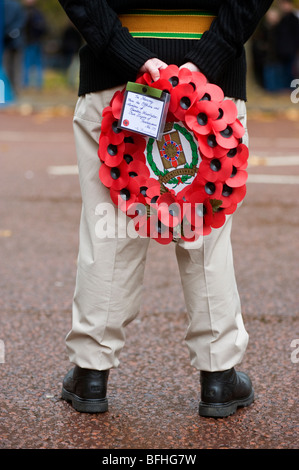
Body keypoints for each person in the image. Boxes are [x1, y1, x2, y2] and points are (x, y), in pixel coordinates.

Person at [58, 1, 273, 419]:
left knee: (110, 229)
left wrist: (129, 55)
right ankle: (218, 378)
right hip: (211, 82)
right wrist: (211, 52)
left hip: (116, 78)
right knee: (204, 232)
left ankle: (91, 373)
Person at [22, 0, 47, 89]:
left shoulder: (27, 13)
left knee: (26, 63)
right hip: (37, 41)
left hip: (29, 42)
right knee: (38, 64)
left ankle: (25, 84)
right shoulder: (38, 13)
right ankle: (38, 85)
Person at [3, 0, 26, 96]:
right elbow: (21, 21)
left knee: (8, 66)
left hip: (7, 41)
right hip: (16, 40)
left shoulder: (5, 4)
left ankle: (9, 89)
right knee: (16, 67)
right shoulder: (17, 5)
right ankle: (15, 90)